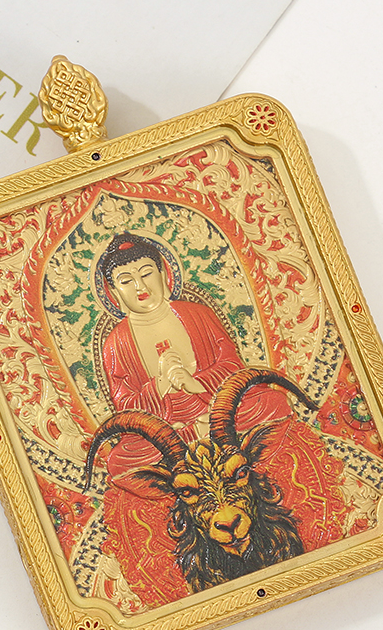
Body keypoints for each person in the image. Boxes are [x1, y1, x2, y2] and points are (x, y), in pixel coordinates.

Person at [95, 232, 296, 606]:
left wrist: (194, 381)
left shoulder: (196, 315)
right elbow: (124, 405)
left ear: (165, 273)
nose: (139, 286)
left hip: (218, 413)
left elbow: (231, 365)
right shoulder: (117, 342)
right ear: (113, 292)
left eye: (146, 273)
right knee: (120, 461)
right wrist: (159, 386)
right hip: (166, 429)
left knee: (272, 402)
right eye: (126, 280)